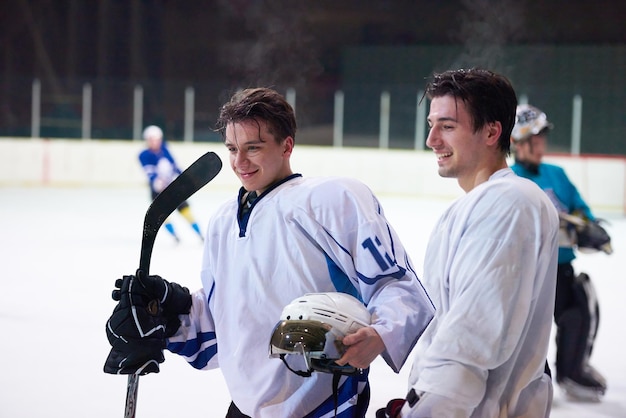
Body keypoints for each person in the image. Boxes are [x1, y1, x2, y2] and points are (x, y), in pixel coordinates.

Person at [105, 87, 436, 417]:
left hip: (322, 405)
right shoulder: (223, 221)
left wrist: (381, 334)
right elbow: (225, 329)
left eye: (253, 148)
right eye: (232, 149)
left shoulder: (332, 201)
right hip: (245, 408)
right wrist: (166, 311)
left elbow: (398, 285)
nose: (239, 162)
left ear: (286, 146)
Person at [379, 69, 560, 418]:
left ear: (492, 131)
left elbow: (469, 341)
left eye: (447, 126)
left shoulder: (507, 203)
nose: (431, 139)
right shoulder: (482, 204)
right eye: (431, 124)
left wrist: (425, 412)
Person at [510, 104, 608, 401]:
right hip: (528, 276)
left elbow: (580, 209)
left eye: (542, 139)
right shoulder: (510, 179)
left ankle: (572, 369)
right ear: (517, 143)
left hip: (561, 270)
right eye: (534, 140)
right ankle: (529, 379)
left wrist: (587, 226)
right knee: (525, 330)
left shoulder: (557, 174)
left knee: (579, 309)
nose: (541, 146)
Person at [138, 125, 204, 242]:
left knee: (186, 211)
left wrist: (185, 176)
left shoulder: (165, 148)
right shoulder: (144, 155)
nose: (154, 142)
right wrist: (156, 181)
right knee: (162, 216)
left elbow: (174, 165)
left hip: (173, 188)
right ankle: (175, 236)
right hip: (158, 191)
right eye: (151, 140)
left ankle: (200, 234)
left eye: (156, 139)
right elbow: (149, 172)